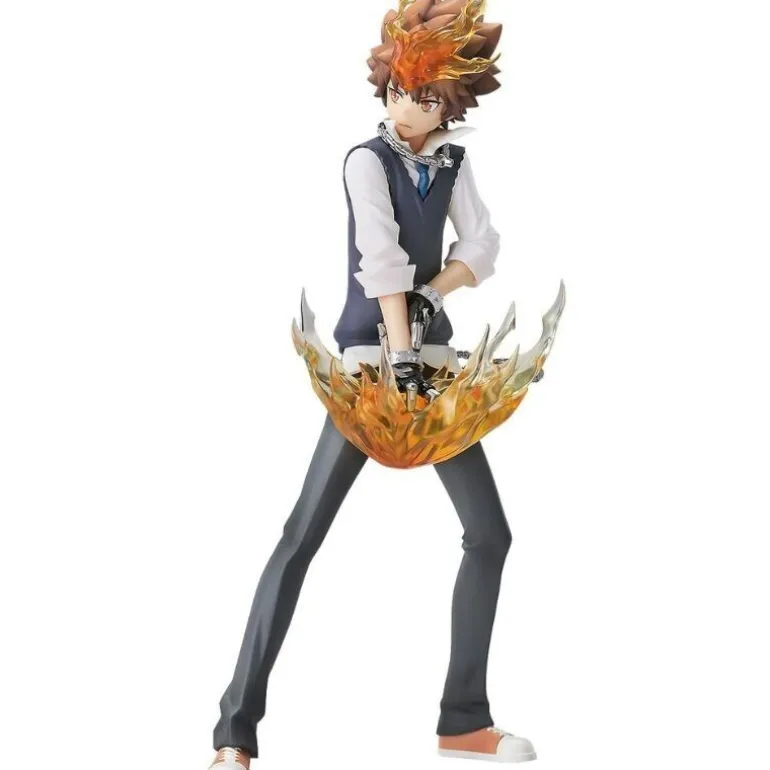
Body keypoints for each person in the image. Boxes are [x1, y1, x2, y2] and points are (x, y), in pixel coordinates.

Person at [210, 0, 536, 764]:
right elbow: (381, 262)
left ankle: (463, 720)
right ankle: (234, 732)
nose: (405, 107)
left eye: (424, 97)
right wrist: (401, 356)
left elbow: (482, 243)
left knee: (489, 534)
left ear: (450, 103)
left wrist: (437, 294)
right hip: (370, 369)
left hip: (433, 367)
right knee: (302, 537)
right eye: (398, 89)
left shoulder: (452, 163)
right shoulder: (367, 160)